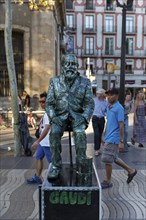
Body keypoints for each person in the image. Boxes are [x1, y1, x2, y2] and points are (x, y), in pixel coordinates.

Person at [46, 54, 94, 179]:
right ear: (63, 66)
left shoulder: (85, 82)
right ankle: (56, 166)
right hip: (60, 117)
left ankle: (81, 164)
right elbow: (49, 103)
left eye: (73, 64)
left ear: (77, 67)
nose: (71, 67)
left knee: (80, 133)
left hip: (77, 116)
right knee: (54, 133)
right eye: (68, 64)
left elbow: (89, 104)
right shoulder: (54, 82)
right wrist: (53, 117)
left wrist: (83, 118)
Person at [101, 88, 137, 189]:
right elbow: (108, 122)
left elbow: (121, 125)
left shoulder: (119, 108)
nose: (108, 97)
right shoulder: (109, 107)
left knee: (107, 159)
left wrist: (121, 141)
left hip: (114, 138)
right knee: (114, 158)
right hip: (108, 136)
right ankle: (131, 170)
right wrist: (104, 134)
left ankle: (108, 181)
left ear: (116, 96)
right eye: (107, 95)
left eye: (111, 95)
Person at [27, 92, 51, 184]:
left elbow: (47, 127)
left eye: (43, 102)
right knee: (38, 157)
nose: (41, 103)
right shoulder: (46, 112)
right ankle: (37, 177)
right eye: (40, 101)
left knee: (52, 162)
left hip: (48, 141)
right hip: (43, 142)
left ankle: (55, 180)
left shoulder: (49, 112)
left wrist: (37, 141)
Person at [92, 88, 108, 156]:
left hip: (101, 119)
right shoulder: (94, 100)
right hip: (95, 118)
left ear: (102, 94)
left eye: (98, 93)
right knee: (96, 134)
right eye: (97, 93)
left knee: (100, 134)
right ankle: (96, 149)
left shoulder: (106, 102)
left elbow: (107, 111)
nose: (97, 94)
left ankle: (98, 148)